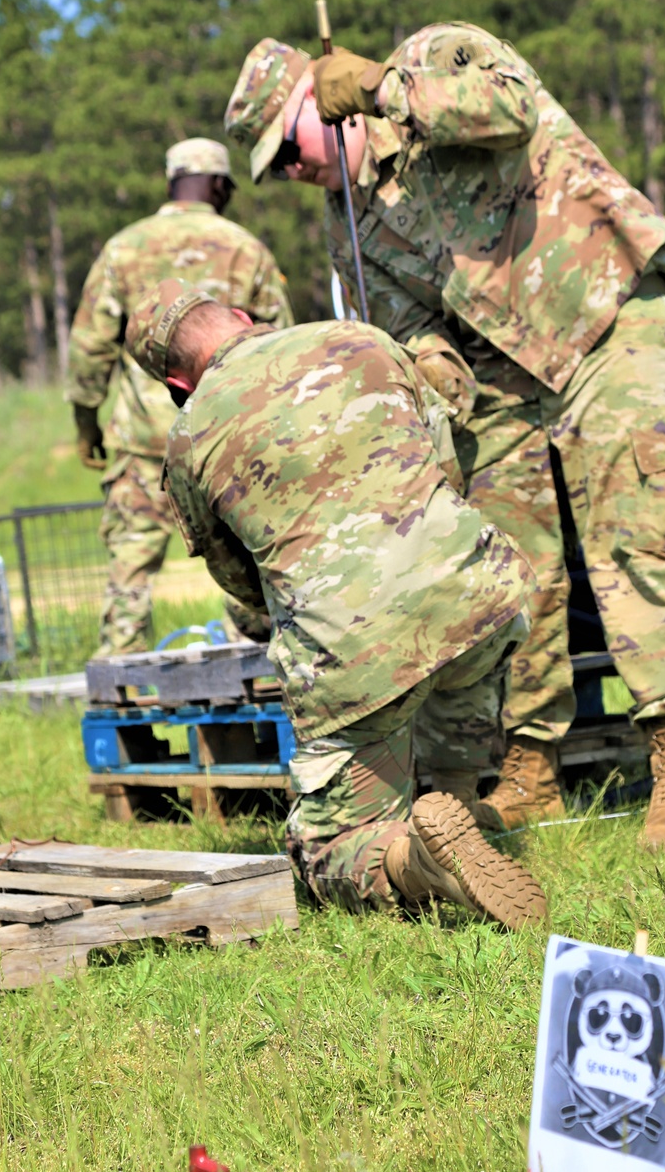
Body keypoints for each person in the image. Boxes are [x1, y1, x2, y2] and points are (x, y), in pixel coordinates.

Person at [224, 31, 665, 852]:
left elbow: (510, 105)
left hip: (605, 318)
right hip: (501, 379)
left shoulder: (433, 57)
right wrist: (431, 380)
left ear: (323, 99)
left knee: (643, 531)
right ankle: (530, 769)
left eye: (289, 149)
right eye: (276, 169)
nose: (291, 172)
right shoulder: (348, 225)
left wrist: (386, 86)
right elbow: (411, 325)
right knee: (506, 567)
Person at [124, 276, 547, 928]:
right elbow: (450, 465)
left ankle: (415, 860)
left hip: (355, 654)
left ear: (177, 383)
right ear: (239, 315)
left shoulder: (188, 439)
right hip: (478, 597)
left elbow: (238, 578)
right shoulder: (361, 338)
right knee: (455, 710)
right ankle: (455, 805)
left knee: (328, 855)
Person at [64, 137, 293, 655]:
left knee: (131, 559)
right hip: (231, 437)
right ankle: (255, 650)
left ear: (171, 182)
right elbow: (282, 342)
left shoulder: (124, 247)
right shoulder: (245, 247)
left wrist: (86, 428)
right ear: (217, 184)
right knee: (247, 545)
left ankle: (121, 666)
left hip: (145, 440)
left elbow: (89, 349)